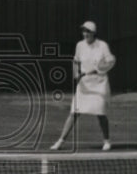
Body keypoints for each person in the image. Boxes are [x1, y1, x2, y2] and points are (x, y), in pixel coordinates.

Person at [50, 21, 116, 152]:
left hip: (99, 84)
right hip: (84, 85)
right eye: (84, 31)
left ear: (93, 33)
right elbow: (76, 61)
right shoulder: (79, 45)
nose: (85, 34)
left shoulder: (102, 46)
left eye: (88, 31)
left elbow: (110, 61)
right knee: (74, 113)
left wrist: (97, 70)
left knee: (100, 113)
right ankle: (60, 141)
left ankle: (107, 141)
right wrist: (76, 73)